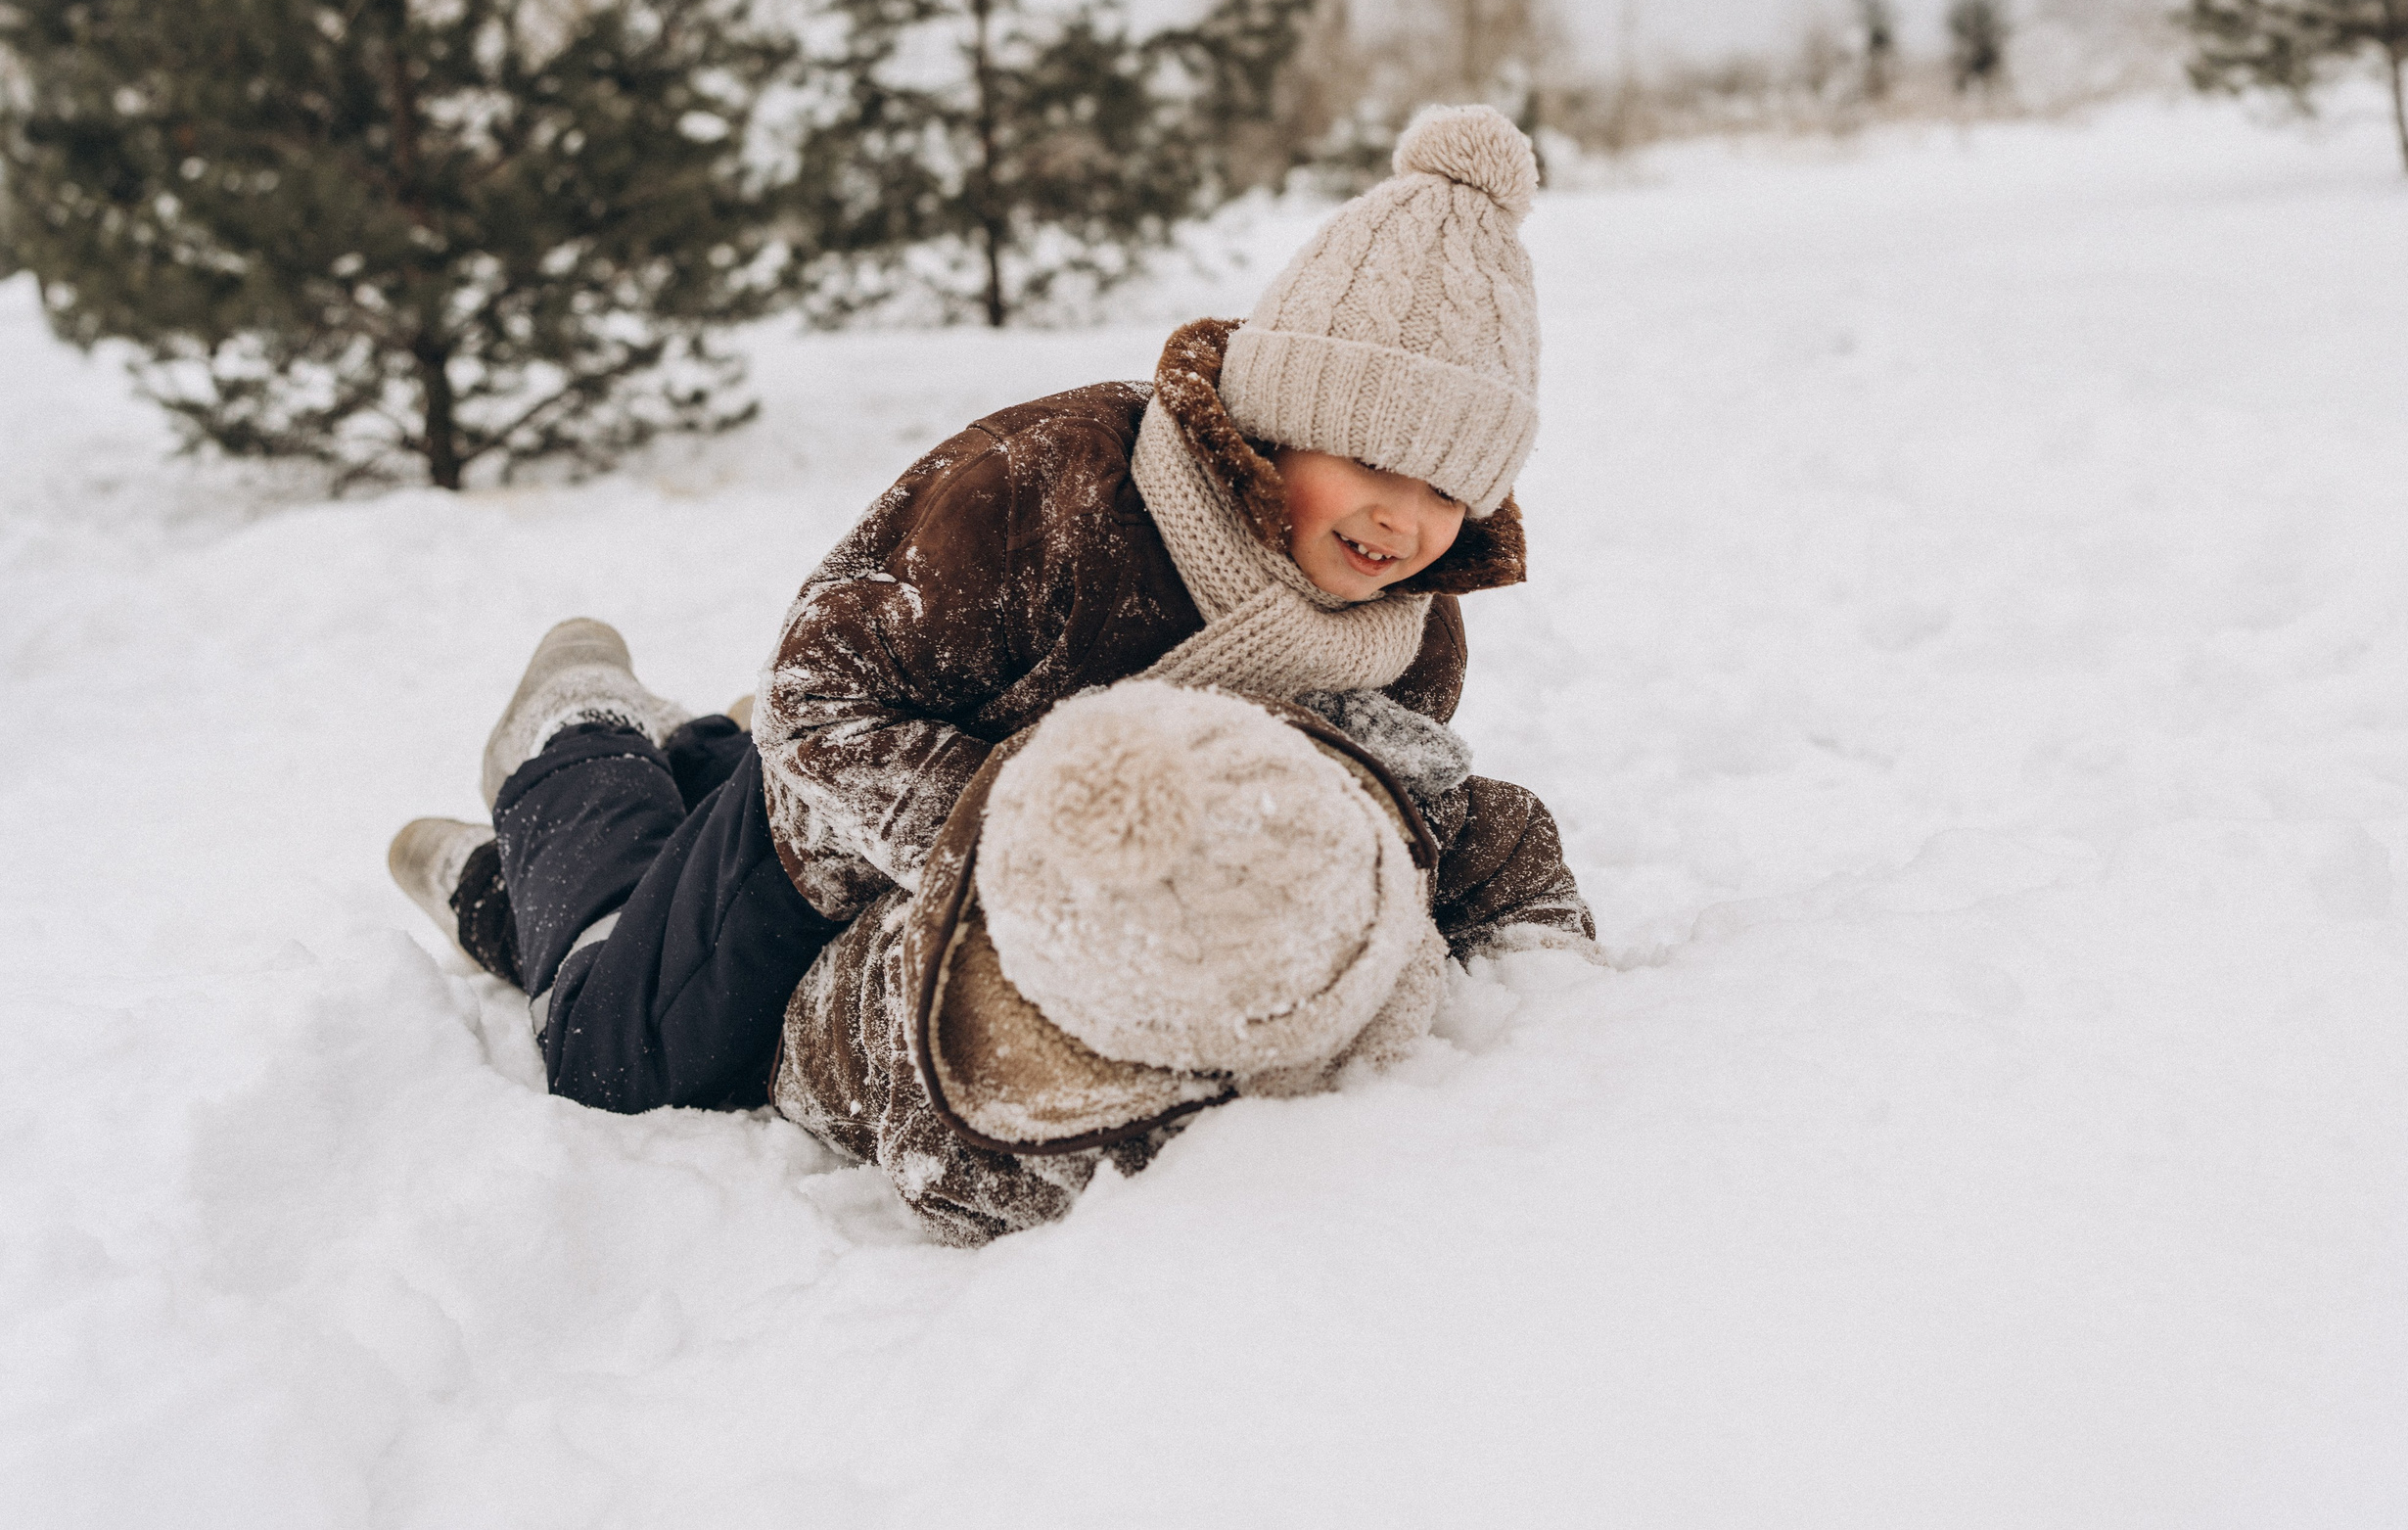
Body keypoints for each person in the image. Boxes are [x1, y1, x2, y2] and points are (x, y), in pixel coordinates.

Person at [390, 104, 1598, 1243]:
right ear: (1283, 410)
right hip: (835, 834)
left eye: (1448, 487)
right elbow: (818, 693)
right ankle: (576, 751)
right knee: (620, 1061)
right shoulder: (1056, 491)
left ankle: (692, 757)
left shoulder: (1411, 632)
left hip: (1004, 899)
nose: (1405, 518)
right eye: (1373, 460)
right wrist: (1018, 858)